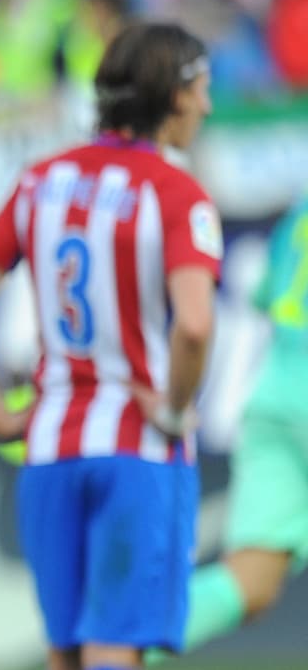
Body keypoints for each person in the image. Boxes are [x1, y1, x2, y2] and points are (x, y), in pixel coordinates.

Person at [0, 21, 222, 670]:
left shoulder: (43, 182)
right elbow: (196, 325)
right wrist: (174, 409)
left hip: (51, 444)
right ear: (175, 97)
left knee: (65, 651)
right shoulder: (178, 194)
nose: (207, 105)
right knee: (115, 646)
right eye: (202, 89)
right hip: (137, 448)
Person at [169, 191, 308, 655]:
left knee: (250, 580)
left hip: (275, 402)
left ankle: (111, 648)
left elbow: (267, 296)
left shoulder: (299, 211)